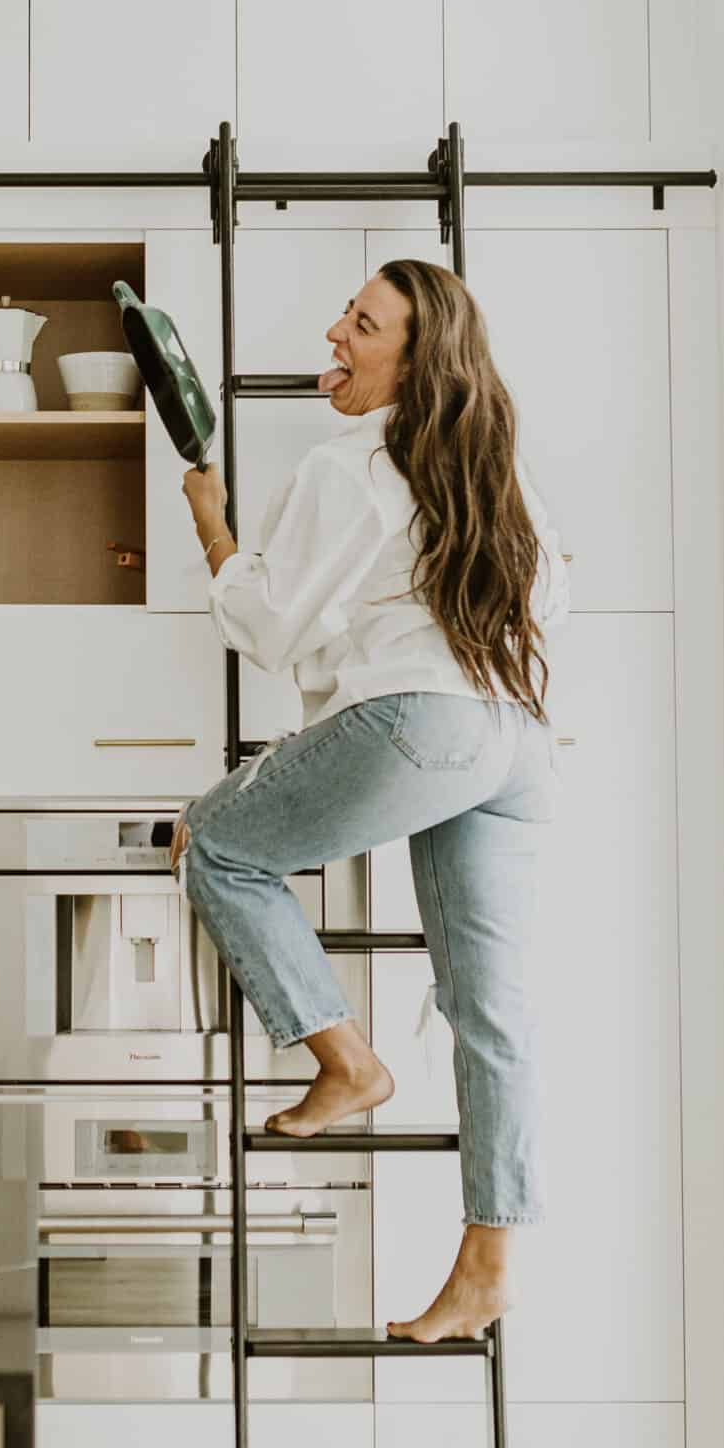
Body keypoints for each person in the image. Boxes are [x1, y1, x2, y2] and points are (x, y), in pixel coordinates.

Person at [170, 259, 567, 1344]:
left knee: (216, 840)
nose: (335, 332)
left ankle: (347, 1059)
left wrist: (213, 524)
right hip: (514, 735)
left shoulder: (349, 464)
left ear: (412, 357)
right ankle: (490, 1261)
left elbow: (262, 625)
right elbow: (546, 596)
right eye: (344, 312)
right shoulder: (489, 461)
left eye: (362, 323)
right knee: (492, 1012)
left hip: (423, 724)